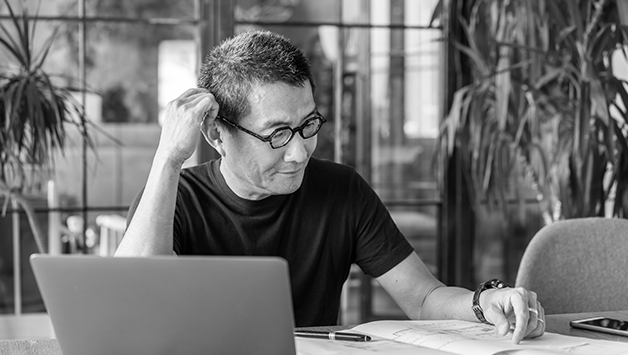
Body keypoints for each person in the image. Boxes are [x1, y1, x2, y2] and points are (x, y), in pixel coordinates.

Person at [115, 30, 545, 343]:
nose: (300, 153)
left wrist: (483, 303)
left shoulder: (341, 190)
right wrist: (168, 157)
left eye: (308, 125)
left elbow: (425, 297)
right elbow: (129, 306)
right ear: (217, 135)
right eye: (277, 134)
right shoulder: (173, 197)